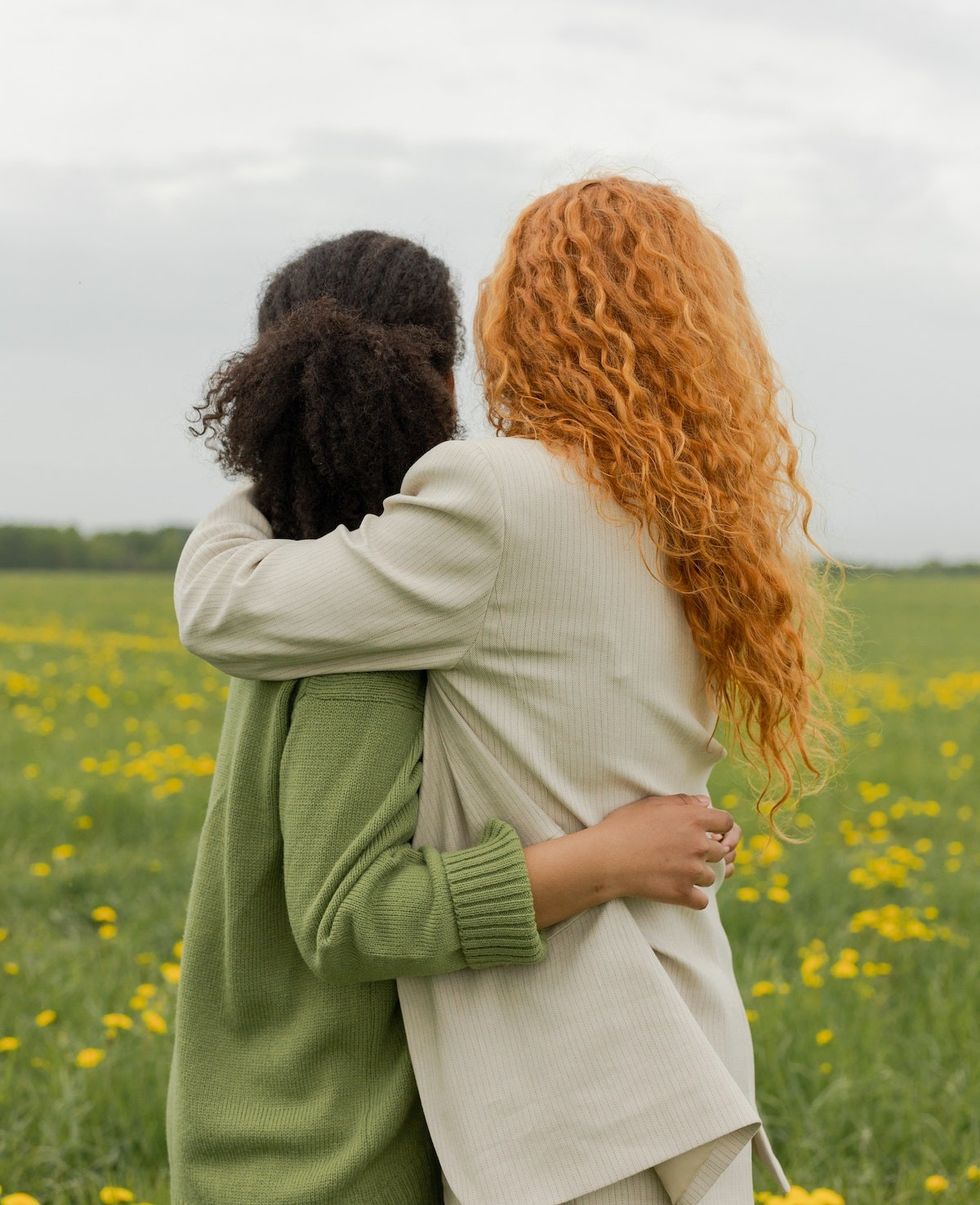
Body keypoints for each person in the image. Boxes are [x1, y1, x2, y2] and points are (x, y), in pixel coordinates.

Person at [174, 178, 846, 1203]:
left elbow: (222, 604)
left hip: (557, 1080)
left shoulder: (496, 498)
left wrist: (273, 460)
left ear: (523, 320)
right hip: (677, 1043)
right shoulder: (688, 518)